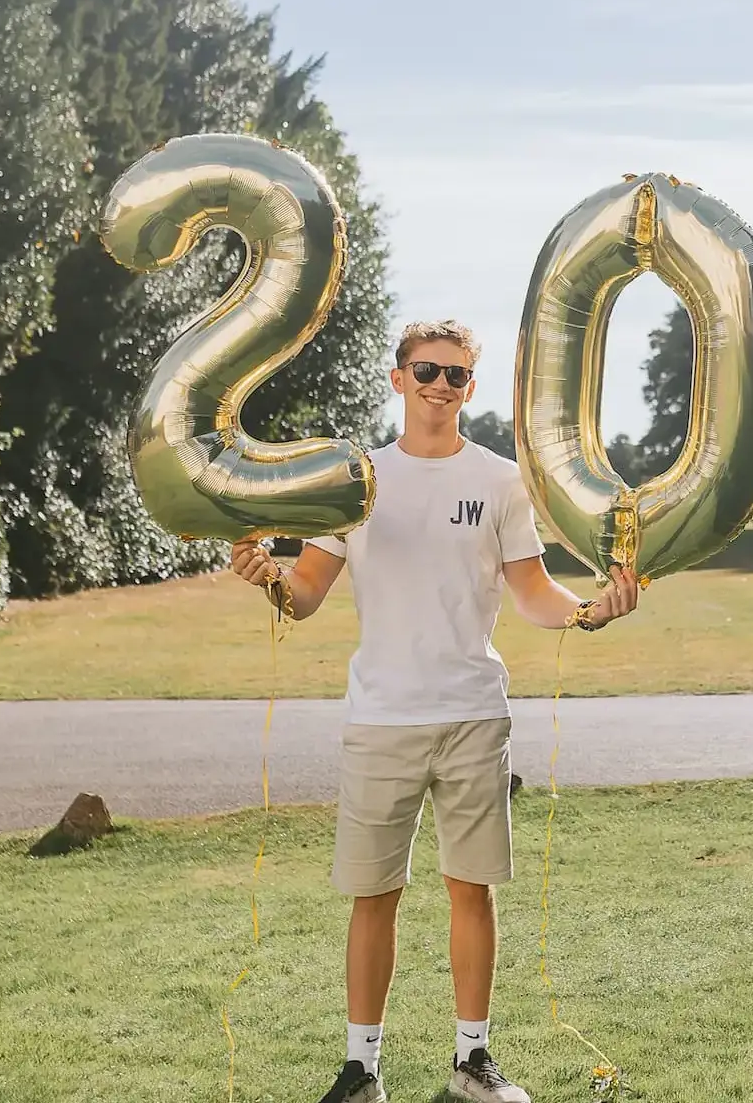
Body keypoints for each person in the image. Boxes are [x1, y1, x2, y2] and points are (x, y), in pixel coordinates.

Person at [230, 319, 640, 1103]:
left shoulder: (500, 481)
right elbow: (307, 593)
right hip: (380, 716)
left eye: (455, 375)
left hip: (472, 715)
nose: (440, 385)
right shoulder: (353, 484)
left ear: (470, 389)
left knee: (471, 889)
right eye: (426, 370)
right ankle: (361, 1073)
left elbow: (530, 591)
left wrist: (591, 613)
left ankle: (473, 1064)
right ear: (398, 378)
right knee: (373, 893)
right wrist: (269, 578)